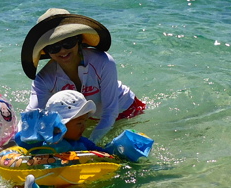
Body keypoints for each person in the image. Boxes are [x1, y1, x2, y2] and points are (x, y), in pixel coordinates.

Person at [21, 8, 145, 143]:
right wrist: (13, 142)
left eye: (68, 42)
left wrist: (91, 144)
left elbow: (110, 112)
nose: (62, 50)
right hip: (88, 118)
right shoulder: (44, 79)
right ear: (45, 51)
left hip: (126, 111)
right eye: (54, 47)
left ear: (78, 39)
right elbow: (32, 115)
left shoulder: (103, 61)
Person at [0, 91, 113, 188]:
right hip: (36, 175)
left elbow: (103, 154)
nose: (84, 126)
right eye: (79, 123)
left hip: (63, 178)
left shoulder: (82, 143)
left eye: (84, 121)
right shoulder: (35, 138)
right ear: (61, 123)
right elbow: (13, 146)